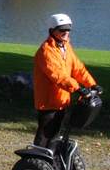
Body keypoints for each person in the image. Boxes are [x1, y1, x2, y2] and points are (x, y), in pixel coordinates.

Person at [33, 13, 99, 149]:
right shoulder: (46, 51)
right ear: (52, 31)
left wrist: (92, 84)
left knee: (55, 136)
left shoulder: (66, 47)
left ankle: (50, 165)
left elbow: (78, 68)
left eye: (68, 29)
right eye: (62, 29)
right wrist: (78, 88)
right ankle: (35, 165)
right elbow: (58, 76)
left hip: (62, 100)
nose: (66, 32)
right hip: (48, 102)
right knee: (45, 136)